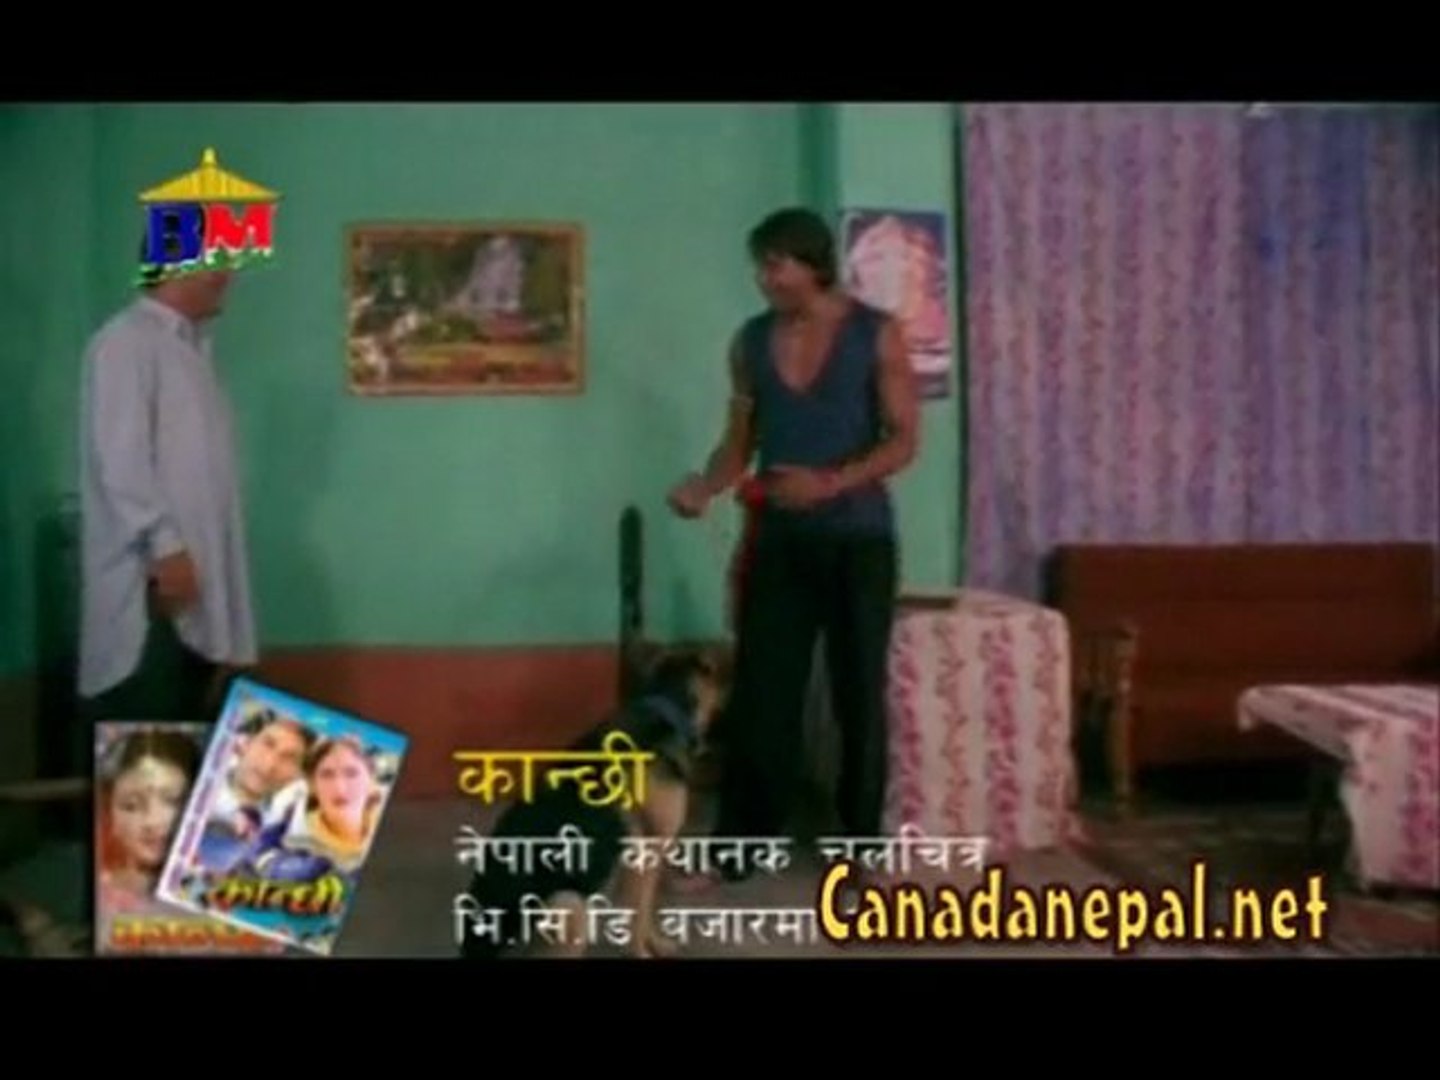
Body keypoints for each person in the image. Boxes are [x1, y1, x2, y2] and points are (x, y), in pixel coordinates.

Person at [667, 207, 920, 880]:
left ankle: (862, 849)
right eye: (761, 266)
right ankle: (739, 849)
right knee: (763, 695)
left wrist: (829, 483)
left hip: (860, 543)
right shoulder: (749, 343)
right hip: (779, 543)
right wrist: (706, 485)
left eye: (776, 264)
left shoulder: (877, 334)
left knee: (857, 697)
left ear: (813, 264)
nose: (764, 278)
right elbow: (738, 444)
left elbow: (903, 441)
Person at [78, 253, 257, 724]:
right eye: (216, 262)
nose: (228, 277)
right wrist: (166, 546)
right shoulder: (127, 342)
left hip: (191, 587)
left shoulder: (189, 351)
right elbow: (121, 461)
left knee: (183, 733)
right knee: (149, 741)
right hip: (154, 588)